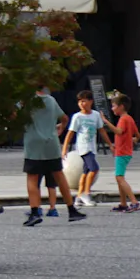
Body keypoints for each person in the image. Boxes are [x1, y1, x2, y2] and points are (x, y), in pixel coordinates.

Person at [23, 85, 84, 226]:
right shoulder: (51, 100)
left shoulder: (26, 101)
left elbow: (15, 117)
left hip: (33, 143)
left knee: (32, 178)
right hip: (51, 143)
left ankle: (34, 212)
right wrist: (60, 127)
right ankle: (71, 209)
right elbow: (64, 118)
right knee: (59, 176)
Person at [62, 90, 109, 209]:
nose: (82, 104)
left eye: (84, 101)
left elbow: (101, 130)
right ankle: (86, 194)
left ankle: (78, 197)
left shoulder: (96, 115)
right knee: (94, 169)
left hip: (92, 147)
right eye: (79, 101)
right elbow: (70, 133)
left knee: (85, 172)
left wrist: (110, 144)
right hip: (83, 148)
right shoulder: (77, 117)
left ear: (90, 102)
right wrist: (64, 148)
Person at [108, 92, 140, 212]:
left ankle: (134, 202)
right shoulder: (130, 118)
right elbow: (137, 135)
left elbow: (118, 131)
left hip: (122, 152)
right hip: (125, 151)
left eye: (114, 106)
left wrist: (105, 121)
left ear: (121, 106)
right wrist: (132, 140)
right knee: (119, 178)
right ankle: (123, 203)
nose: (112, 109)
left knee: (119, 177)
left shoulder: (123, 119)